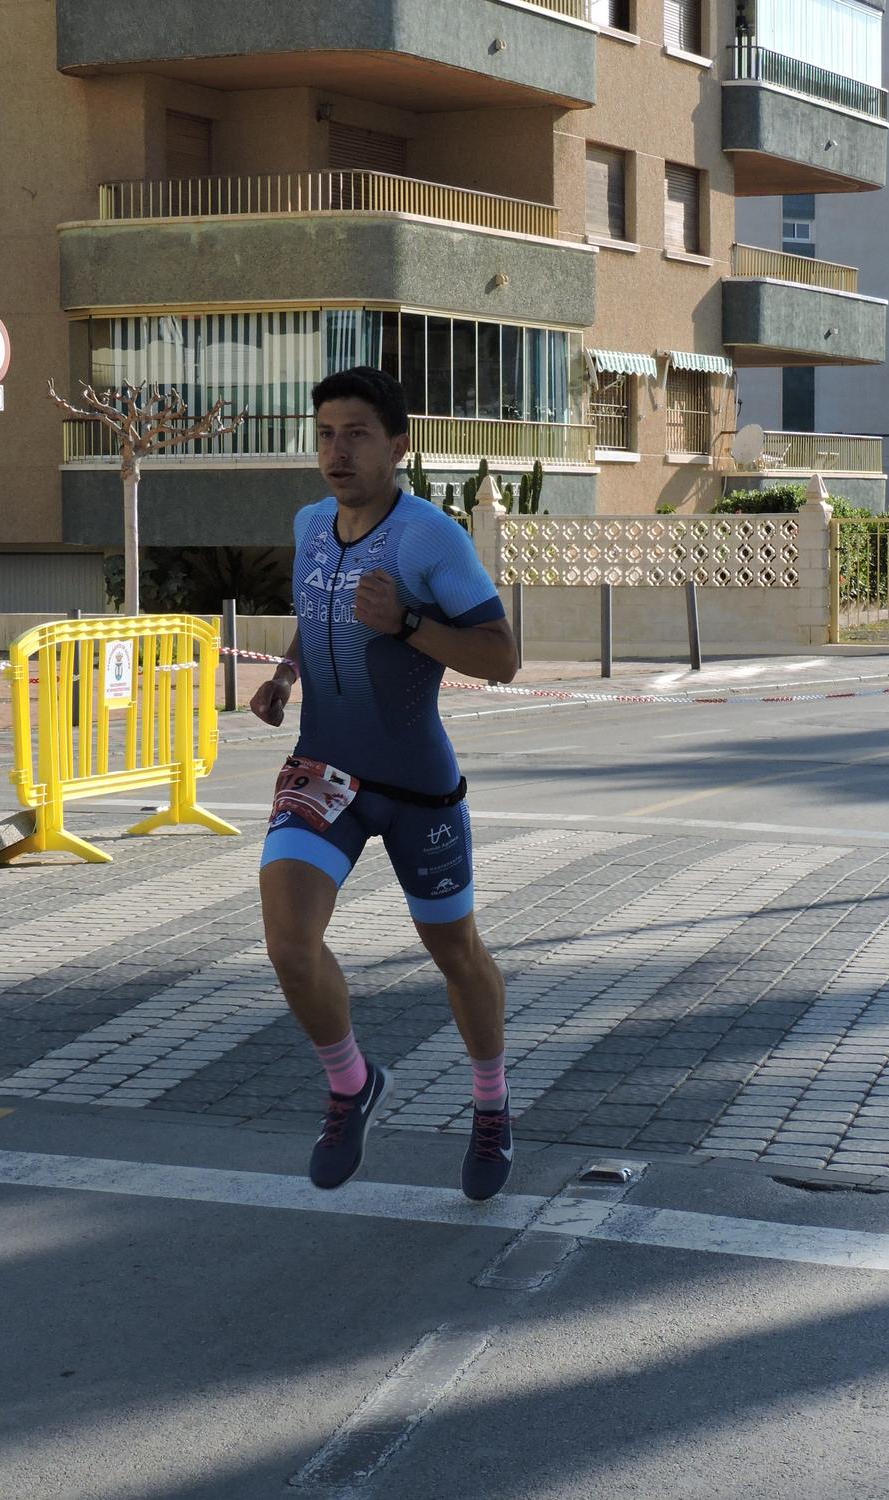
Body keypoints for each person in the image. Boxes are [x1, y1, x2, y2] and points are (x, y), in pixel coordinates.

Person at [252, 366, 520, 1201]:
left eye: (357, 433)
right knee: (289, 944)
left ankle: (490, 1103)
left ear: (398, 445)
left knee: (457, 954)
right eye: (326, 432)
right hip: (323, 768)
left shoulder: (429, 538)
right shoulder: (307, 524)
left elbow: (502, 659)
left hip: (415, 784)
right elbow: (322, 607)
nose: (337, 450)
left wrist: (406, 622)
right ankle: (351, 1083)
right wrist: (288, 676)